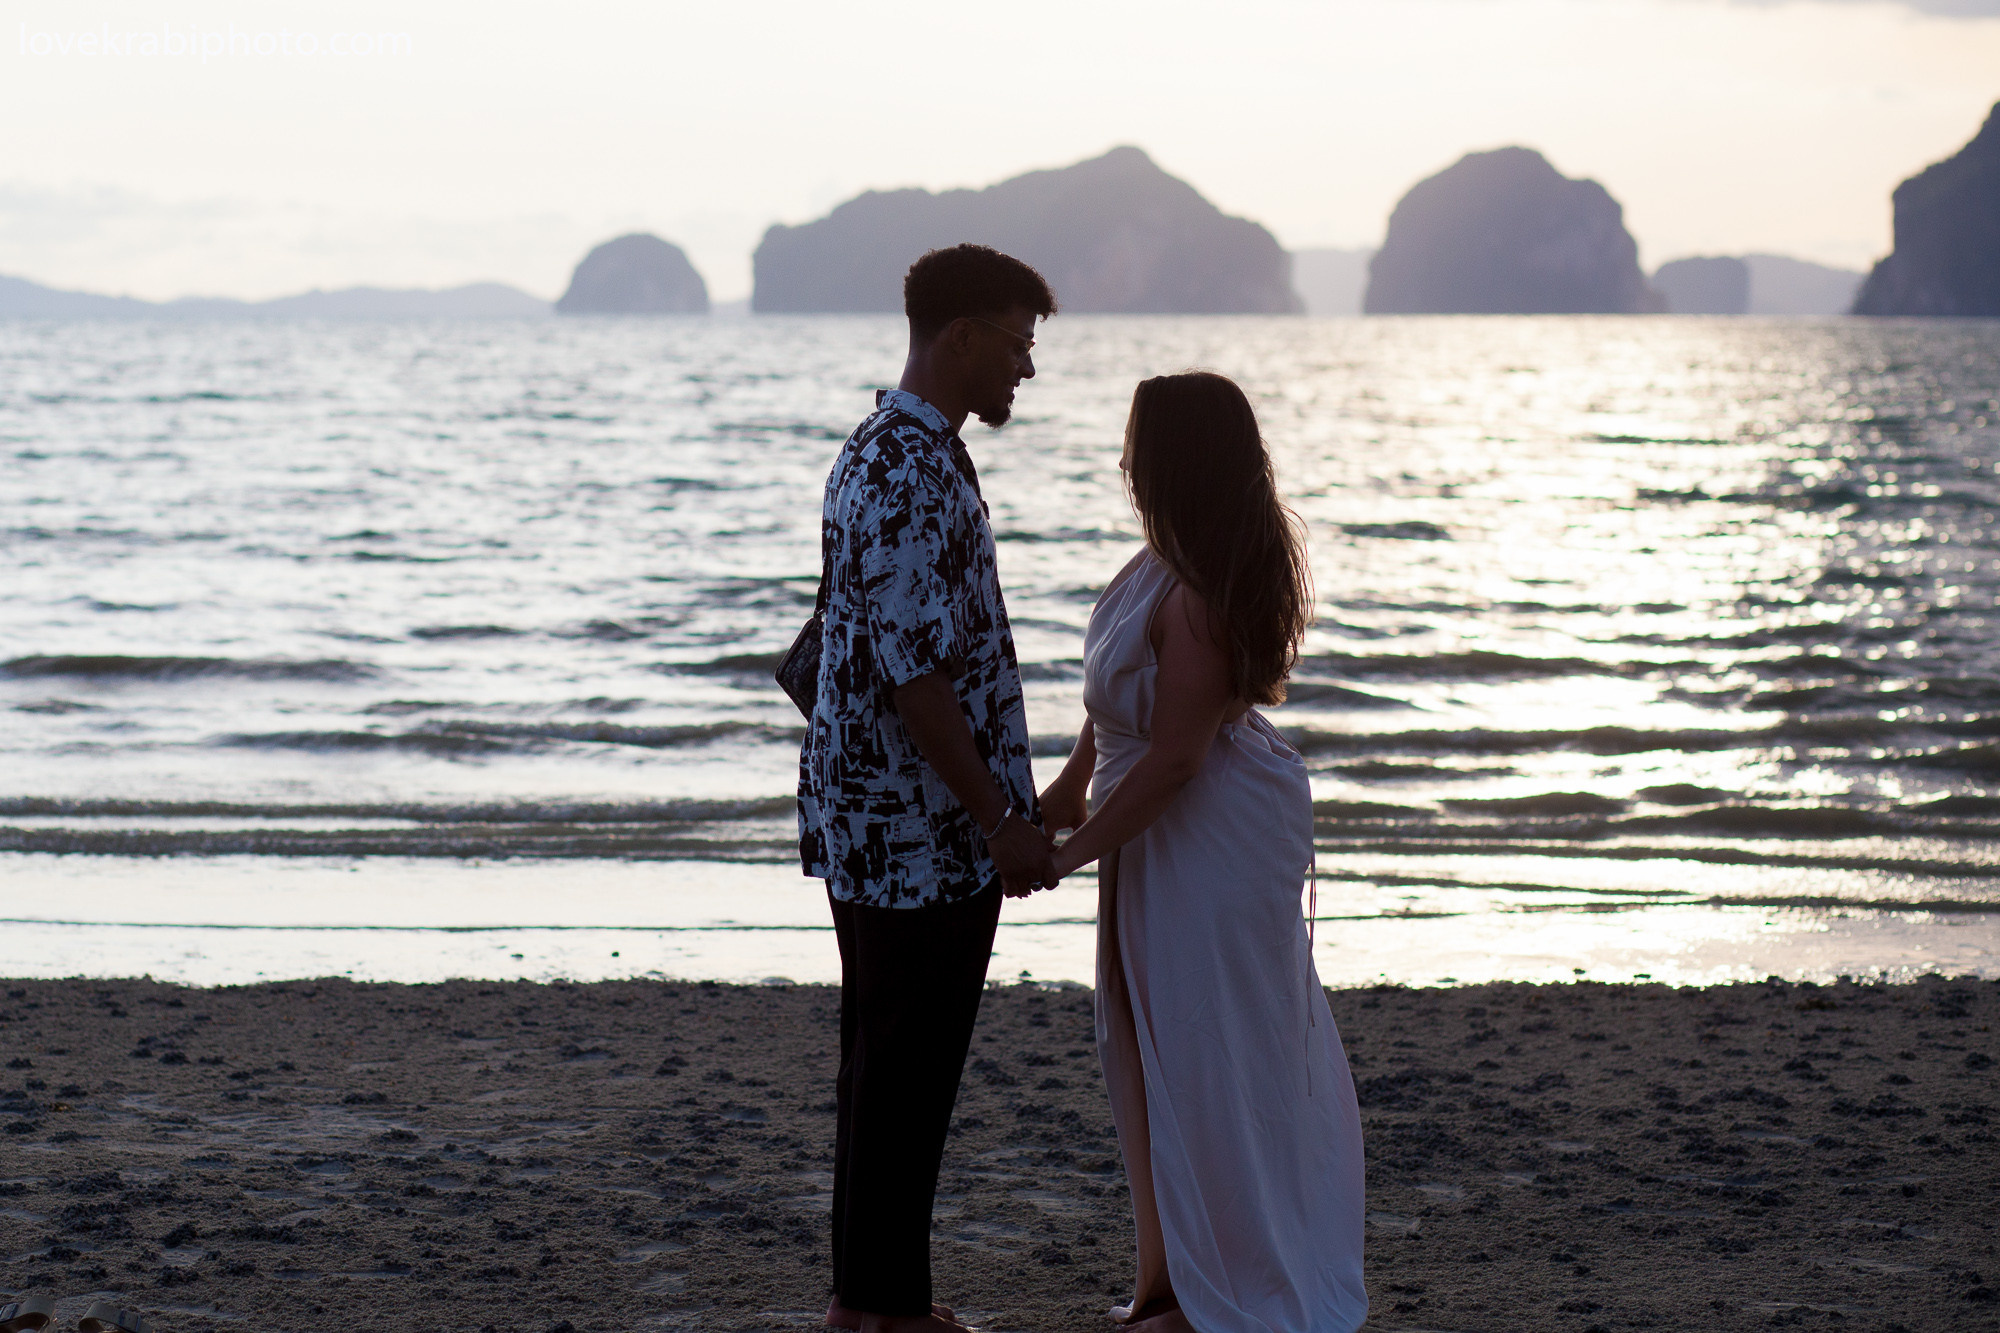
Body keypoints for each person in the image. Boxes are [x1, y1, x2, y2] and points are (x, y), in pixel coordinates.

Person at [1039, 372, 1368, 1333]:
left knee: (1208, 1049)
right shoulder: (1156, 566)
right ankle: (1170, 1273)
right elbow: (1115, 713)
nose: (1123, 463)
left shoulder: (1201, 594)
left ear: (1173, 458)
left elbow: (1178, 757)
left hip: (1207, 836)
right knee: (1146, 1041)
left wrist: (1067, 856)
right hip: (1154, 833)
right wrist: (1063, 793)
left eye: (1136, 444)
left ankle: (1227, 1282)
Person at [798, 244, 1060, 1333]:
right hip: (918, 829)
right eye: (1013, 344)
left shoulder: (884, 451)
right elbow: (916, 677)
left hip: (876, 815)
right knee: (905, 1073)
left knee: (882, 1067)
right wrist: (998, 816)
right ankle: (884, 1311)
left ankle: (868, 1300)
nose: (1024, 370)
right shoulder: (908, 471)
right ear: (957, 338)